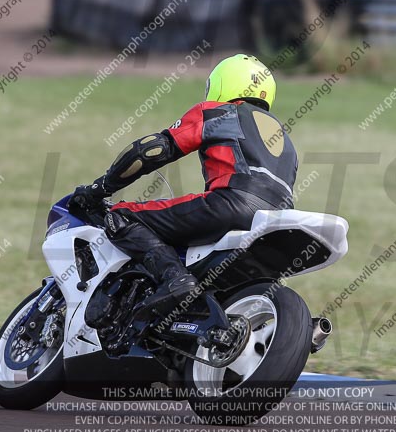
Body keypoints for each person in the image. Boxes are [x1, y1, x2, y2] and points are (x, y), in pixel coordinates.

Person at [72, 54, 298, 316]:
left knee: (120, 216)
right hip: (277, 221)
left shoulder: (218, 112)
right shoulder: (287, 141)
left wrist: (101, 188)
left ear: (223, 84)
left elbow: (152, 150)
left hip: (231, 204)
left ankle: (175, 279)